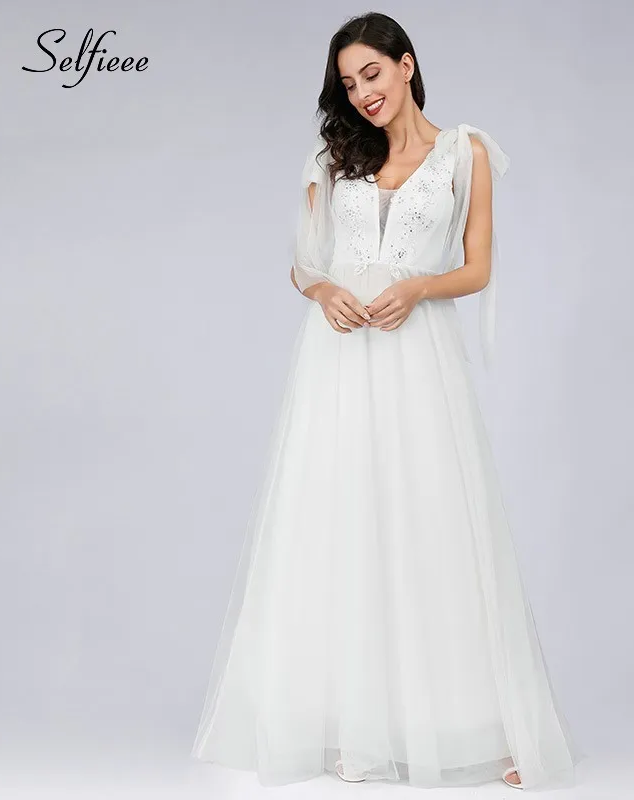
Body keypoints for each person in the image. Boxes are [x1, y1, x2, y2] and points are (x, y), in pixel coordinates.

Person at [191, 11, 586, 791]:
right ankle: (353, 727)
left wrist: (417, 288)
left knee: (435, 522)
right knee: (340, 522)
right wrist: (326, 291)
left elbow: (477, 267)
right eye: (348, 83)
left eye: (371, 73)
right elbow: (303, 264)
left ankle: (483, 729)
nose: (362, 93)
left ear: (407, 64)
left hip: (416, 355)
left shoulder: (465, 152)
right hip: (339, 358)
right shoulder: (331, 156)